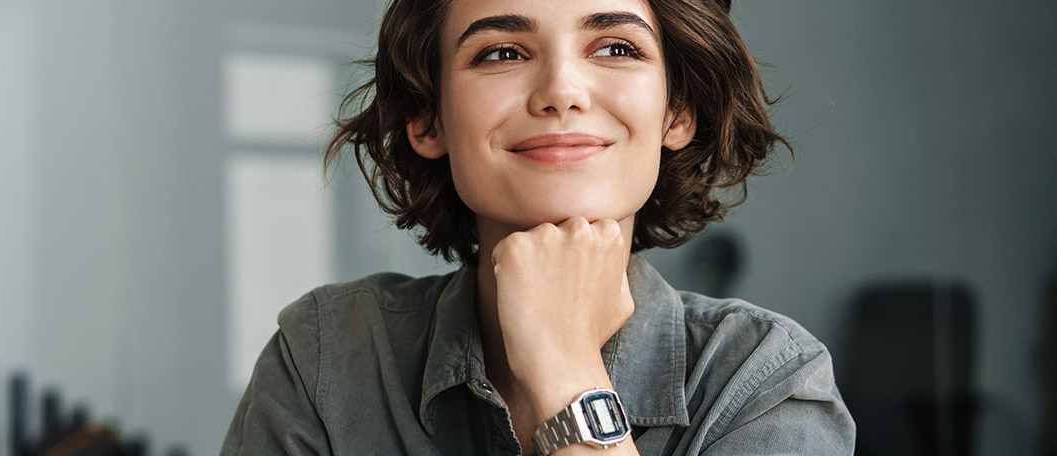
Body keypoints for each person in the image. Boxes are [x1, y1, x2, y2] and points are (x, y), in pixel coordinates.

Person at [222, 0, 856, 454]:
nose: (562, 91)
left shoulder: (765, 381)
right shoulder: (324, 358)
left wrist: (563, 365)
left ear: (677, 113)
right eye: (501, 52)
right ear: (427, 119)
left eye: (616, 47)